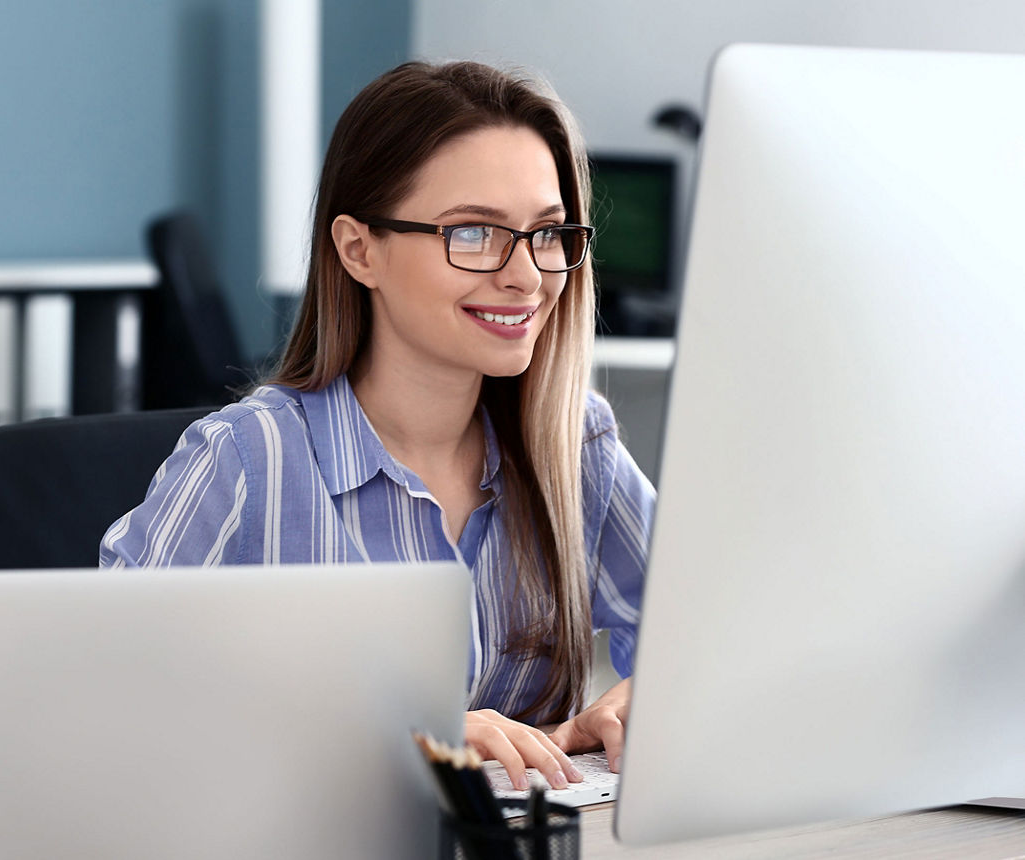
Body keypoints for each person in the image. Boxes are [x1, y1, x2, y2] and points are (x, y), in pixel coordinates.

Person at [100, 60, 655, 793]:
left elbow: (713, 644)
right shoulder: (248, 459)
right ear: (359, 249)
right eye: (475, 233)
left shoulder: (574, 444)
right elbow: (105, 704)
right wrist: (385, 733)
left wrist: (639, 702)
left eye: (547, 234)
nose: (527, 276)